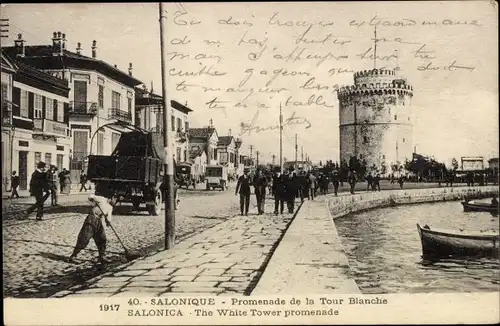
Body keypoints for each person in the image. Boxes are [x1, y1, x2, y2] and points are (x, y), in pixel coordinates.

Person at [68, 194, 118, 264]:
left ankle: (101, 257)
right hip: (91, 219)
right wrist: (92, 199)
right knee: (84, 239)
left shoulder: (110, 208)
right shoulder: (102, 199)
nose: (116, 202)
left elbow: (108, 218)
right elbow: (90, 196)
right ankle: (73, 256)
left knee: (102, 239)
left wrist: (108, 222)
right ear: (112, 197)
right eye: (115, 200)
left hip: (98, 223)